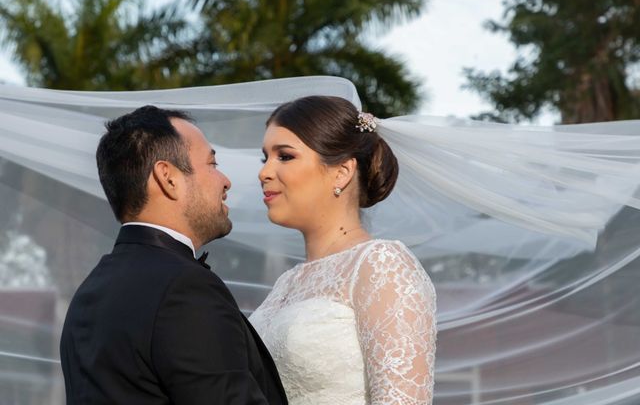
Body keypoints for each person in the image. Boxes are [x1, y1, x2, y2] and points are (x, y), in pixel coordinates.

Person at [60, 105, 288, 404]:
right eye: (212, 163)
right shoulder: (184, 290)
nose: (225, 180)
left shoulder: (88, 293)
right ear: (168, 177)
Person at [250, 96, 436, 404]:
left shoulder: (381, 265)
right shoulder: (287, 282)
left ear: (341, 172)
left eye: (284, 156)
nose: (264, 173)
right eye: (264, 158)